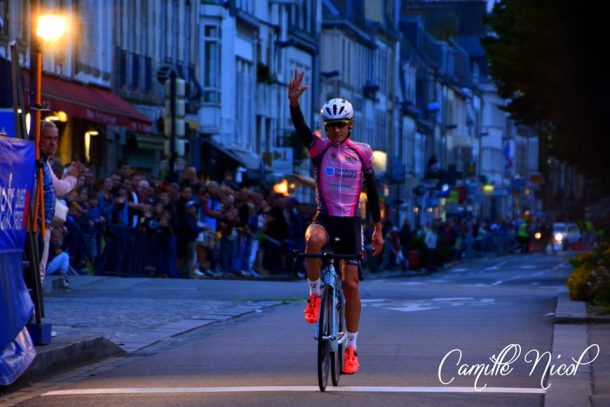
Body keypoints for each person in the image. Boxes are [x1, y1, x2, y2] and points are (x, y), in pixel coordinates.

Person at [288, 68, 384, 375]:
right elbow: (302, 130)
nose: (336, 131)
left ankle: (352, 347)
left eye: (341, 125)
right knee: (312, 241)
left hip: (350, 223)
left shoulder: (363, 153)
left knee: (350, 284)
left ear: (350, 125)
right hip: (325, 217)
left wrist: (377, 228)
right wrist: (293, 103)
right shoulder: (319, 148)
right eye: (330, 126)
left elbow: (374, 192)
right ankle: (315, 295)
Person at [38, 120, 82, 284]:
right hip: (37, 223)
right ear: (38, 138)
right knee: (38, 271)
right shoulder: (39, 161)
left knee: (40, 270)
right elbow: (59, 188)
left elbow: (54, 188)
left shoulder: (44, 162)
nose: (52, 143)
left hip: (43, 223)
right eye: (48, 138)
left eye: (55, 138)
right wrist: (72, 177)